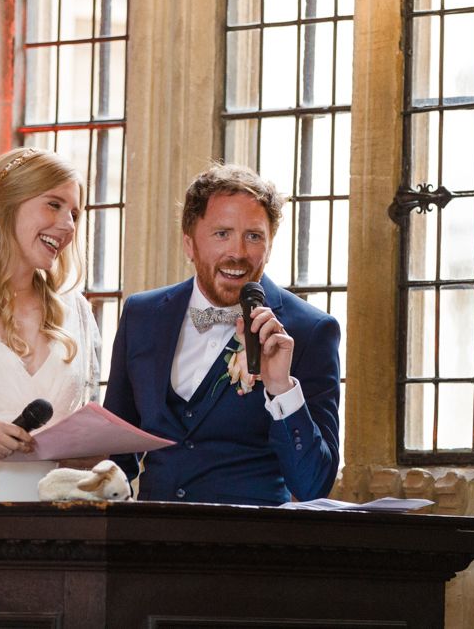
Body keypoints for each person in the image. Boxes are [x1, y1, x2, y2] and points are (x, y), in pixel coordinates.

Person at [104, 163, 340, 506]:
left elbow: (313, 483)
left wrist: (281, 388)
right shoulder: (142, 315)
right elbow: (116, 450)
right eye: (221, 233)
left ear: (270, 245)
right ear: (189, 243)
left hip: (248, 549)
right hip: (151, 544)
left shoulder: (310, 330)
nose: (238, 252)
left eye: (254, 236)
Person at [0, 147, 100, 501]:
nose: (68, 225)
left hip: (53, 524)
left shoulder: (75, 310)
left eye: (75, 213)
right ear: (7, 203)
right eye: (54, 205)